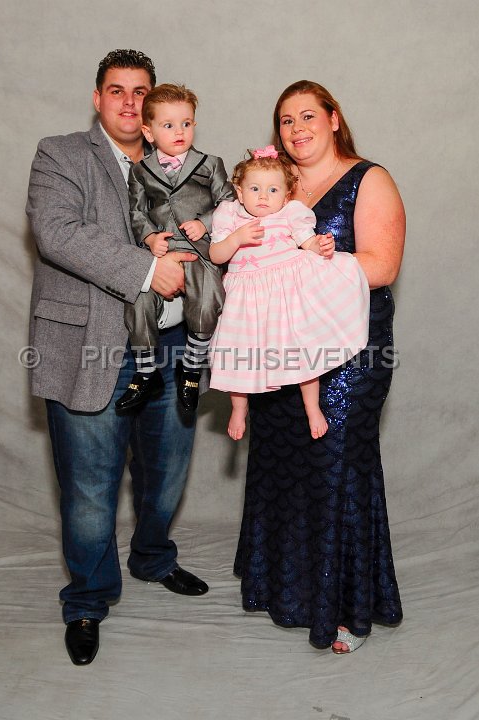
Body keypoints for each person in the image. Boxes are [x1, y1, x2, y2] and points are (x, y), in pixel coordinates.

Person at [26, 49, 208, 667]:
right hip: (90, 346)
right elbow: (57, 233)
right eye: (116, 90)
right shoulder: (60, 155)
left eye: (140, 92)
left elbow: (222, 223)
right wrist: (148, 270)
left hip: (174, 344)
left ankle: (153, 558)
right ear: (97, 98)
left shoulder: (183, 159)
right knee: (89, 489)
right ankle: (87, 599)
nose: (129, 102)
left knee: (167, 472)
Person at [233, 81, 405, 654]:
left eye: (308, 116)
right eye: (286, 120)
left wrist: (303, 262)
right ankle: (285, 589)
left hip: (350, 351)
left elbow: (382, 266)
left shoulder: (368, 179)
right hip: (279, 350)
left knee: (338, 468)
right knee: (283, 464)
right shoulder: (272, 183)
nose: (297, 128)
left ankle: (347, 609)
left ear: (334, 119)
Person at [208, 145, 370, 441]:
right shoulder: (229, 216)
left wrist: (321, 246)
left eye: (273, 190)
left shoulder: (289, 214)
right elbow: (217, 255)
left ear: (286, 197)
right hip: (246, 297)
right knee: (239, 354)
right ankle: (239, 408)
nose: (263, 197)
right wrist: (236, 238)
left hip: (284, 296)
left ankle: (312, 408)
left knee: (303, 350)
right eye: (254, 189)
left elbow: (308, 242)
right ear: (240, 193)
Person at [116, 83, 235, 414]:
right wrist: (149, 238)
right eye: (168, 125)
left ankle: (192, 367)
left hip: (198, 249)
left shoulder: (210, 164)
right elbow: (137, 211)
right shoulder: (140, 171)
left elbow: (230, 203)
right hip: (160, 253)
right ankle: (146, 372)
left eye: (186, 123)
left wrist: (206, 223)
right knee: (138, 299)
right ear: (149, 132)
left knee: (209, 297)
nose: (179, 132)